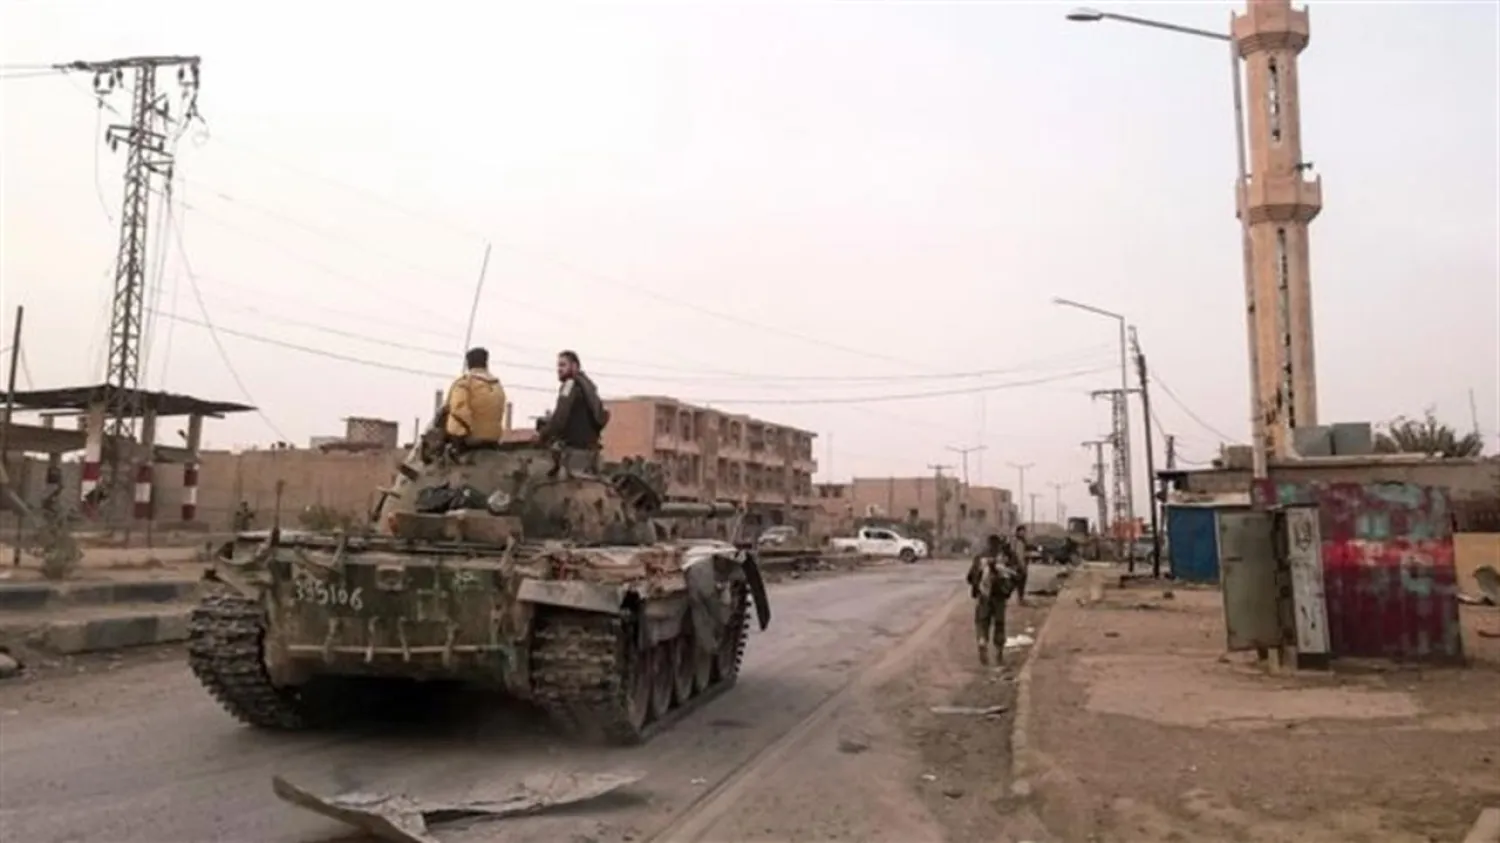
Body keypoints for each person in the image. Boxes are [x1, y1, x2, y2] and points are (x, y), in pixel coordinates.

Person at [539, 350, 610, 449]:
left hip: (575, 451)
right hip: (591, 450)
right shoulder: (587, 386)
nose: (559, 369)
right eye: (558, 366)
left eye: (563, 365)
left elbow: (560, 417)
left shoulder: (570, 385)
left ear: (574, 366)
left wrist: (543, 435)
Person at [439, 347, 506, 449]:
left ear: (468, 363)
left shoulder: (464, 383)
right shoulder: (497, 385)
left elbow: (458, 410)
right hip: (494, 438)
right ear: (486, 363)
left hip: (469, 439)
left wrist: (467, 431)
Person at [966, 534, 1018, 667]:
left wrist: (977, 586)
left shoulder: (980, 557)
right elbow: (1017, 575)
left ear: (988, 543)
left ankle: (982, 641)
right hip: (999, 597)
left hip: (984, 597)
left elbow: (970, 577)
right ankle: (999, 653)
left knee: (982, 622)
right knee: (999, 624)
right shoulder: (1005, 558)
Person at [1010, 525, 1031, 606]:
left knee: (1020, 583)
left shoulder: (1023, 541)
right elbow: (1019, 554)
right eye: (1022, 531)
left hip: (1022, 564)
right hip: (1019, 565)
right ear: (1018, 532)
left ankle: (1020, 599)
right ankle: (1020, 599)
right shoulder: (1017, 541)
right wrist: (1022, 566)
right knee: (1018, 582)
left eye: (1024, 531)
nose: (1023, 533)